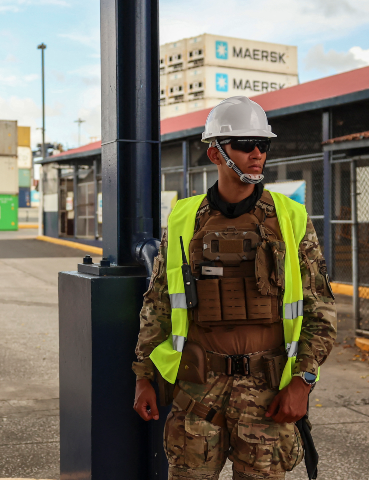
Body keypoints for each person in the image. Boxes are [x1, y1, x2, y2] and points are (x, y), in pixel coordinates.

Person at [132, 96, 337, 480]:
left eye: (263, 145)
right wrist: (144, 376)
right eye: (244, 144)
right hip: (196, 387)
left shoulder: (290, 218)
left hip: (268, 390)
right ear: (215, 153)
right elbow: (158, 302)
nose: (257, 153)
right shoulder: (183, 218)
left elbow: (319, 309)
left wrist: (303, 381)